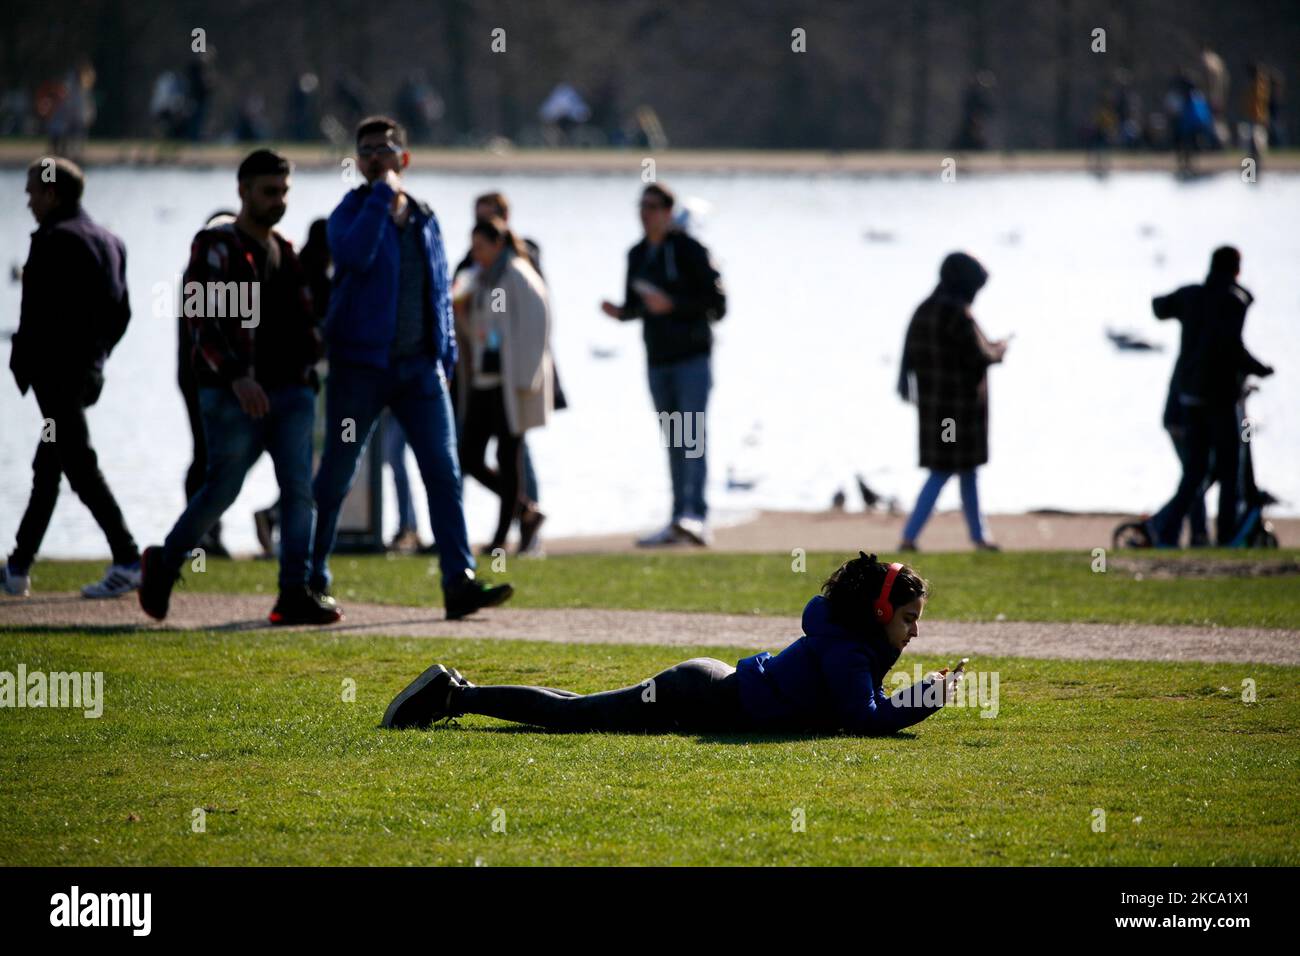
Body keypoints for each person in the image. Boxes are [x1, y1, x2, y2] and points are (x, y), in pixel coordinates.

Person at [382, 552, 964, 735]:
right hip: (698, 693)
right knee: (574, 714)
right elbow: (861, 718)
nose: (916, 630)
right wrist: (927, 697)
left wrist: (916, 690)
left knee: (577, 706)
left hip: (707, 686)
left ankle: (458, 694)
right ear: (880, 611)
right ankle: (454, 696)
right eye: (909, 617)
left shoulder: (856, 643)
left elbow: (851, 706)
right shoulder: (849, 649)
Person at [310, 116, 512, 620]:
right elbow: (354, 256)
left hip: (421, 371)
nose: (375, 157)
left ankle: (458, 582)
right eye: (366, 151)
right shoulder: (349, 213)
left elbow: (441, 289)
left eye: (384, 149)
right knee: (337, 472)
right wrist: (381, 197)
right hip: (360, 370)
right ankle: (311, 578)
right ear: (358, 163)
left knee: (443, 472)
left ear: (405, 158)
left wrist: (446, 355)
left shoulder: (425, 217)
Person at [137, 149, 338, 626]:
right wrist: (237, 377)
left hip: (290, 393)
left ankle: (293, 592)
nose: (279, 201)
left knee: (298, 490)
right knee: (221, 489)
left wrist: (310, 372)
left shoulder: (284, 249)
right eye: (269, 192)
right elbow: (201, 321)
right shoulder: (215, 245)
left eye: (285, 192)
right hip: (233, 394)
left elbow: (307, 318)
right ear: (242, 190)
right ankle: (163, 564)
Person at [3, 157, 141, 600]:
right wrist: (96, 360)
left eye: (32, 192)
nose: (27, 200)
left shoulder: (54, 240)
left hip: (56, 378)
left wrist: (27, 363)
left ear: (52, 193)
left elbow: (38, 315)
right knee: (49, 467)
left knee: (79, 466)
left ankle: (128, 558)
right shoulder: (110, 240)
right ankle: (18, 567)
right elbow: (122, 313)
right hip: (83, 375)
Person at [601, 182, 727, 547]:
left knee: (693, 438)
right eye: (641, 206)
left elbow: (717, 304)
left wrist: (672, 305)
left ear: (669, 212)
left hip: (692, 359)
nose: (646, 213)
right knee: (673, 438)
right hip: (658, 360)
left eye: (653, 207)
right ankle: (677, 518)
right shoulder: (637, 254)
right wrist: (621, 312)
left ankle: (697, 517)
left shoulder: (689, 249)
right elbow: (635, 305)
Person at [453, 190, 568, 546]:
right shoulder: (482, 278)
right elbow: (486, 333)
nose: (474, 254)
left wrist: (525, 379)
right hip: (486, 382)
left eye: (480, 247)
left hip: (512, 383)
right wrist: (461, 316)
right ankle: (526, 512)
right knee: (469, 457)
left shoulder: (518, 274)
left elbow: (539, 326)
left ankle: (503, 535)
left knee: (509, 456)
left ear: (496, 243)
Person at [1144, 247, 1273, 547]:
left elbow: (1159, 308)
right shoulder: (1234, 301)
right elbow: (1231, 347)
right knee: (1230, 471)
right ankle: (1226, 536)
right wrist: (1260, 369)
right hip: (1221, 399)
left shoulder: (1192, 296)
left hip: (1190, 399)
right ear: (1237, 270)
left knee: (1195, 472)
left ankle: (1166, 529)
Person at [896, 252, 1007, 552]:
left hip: (935, 412)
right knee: (946, 470)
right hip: (957, 414)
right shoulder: (957, 313)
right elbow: (978, 356)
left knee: (958, 470)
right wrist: (998, 350)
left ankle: (977, 536)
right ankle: (910, 536)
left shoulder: (924, 310)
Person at [179, 209, 237, 560]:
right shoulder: (200, 273)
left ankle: (207, 531)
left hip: (223, 378)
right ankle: (199, 534)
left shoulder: (234, 271)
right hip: (200, 379)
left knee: (221, 456)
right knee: (205, 453)